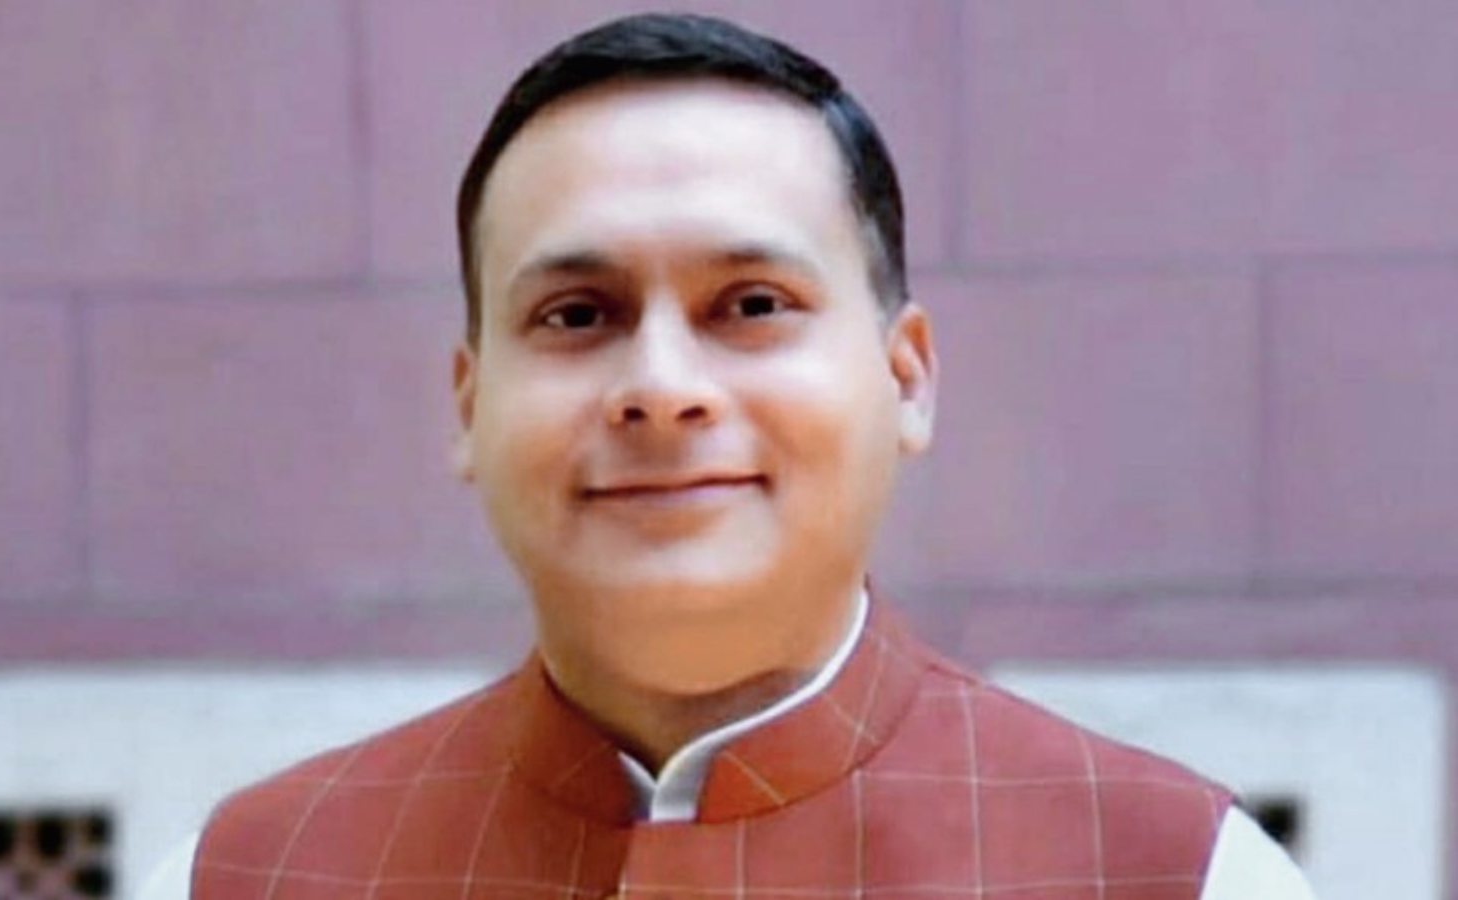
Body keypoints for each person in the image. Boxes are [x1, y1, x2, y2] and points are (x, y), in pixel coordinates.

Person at [154, 12, 1317, 899]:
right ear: (469, 404)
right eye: (576, 315)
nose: (663, 389)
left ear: (906, 378)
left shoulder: (1179, 874)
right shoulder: (243, 876)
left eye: (752, 304)